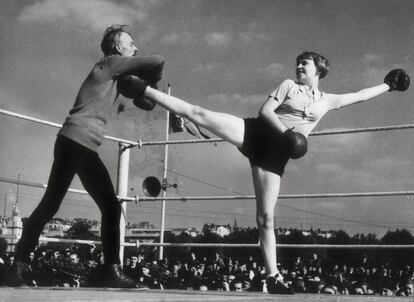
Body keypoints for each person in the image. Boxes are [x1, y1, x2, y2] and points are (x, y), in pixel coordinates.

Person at [118, 51, 409, 294]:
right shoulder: (287, 85)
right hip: (256, 133)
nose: (298, 66)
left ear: (319, 68)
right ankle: (144, 90)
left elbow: (358, 96)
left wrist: (388, 86)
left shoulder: (327, 100)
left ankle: (273, 276)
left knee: (266, 218)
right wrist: (289, 134)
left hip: (274, 156)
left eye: (304, 63)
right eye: (297, 62)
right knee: (200, 113)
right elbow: (266, 111)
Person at [6, 25, 165, 288]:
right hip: (79, 142)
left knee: (50, 205)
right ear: (117, 48)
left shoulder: (113, 72)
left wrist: (141, 87)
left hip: (72, 141)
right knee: (111, 207)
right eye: (131, 43)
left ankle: (16, 266)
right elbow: (158, 60)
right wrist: (152, 85)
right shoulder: (110, 63)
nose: (136, 47)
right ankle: (109, 271)